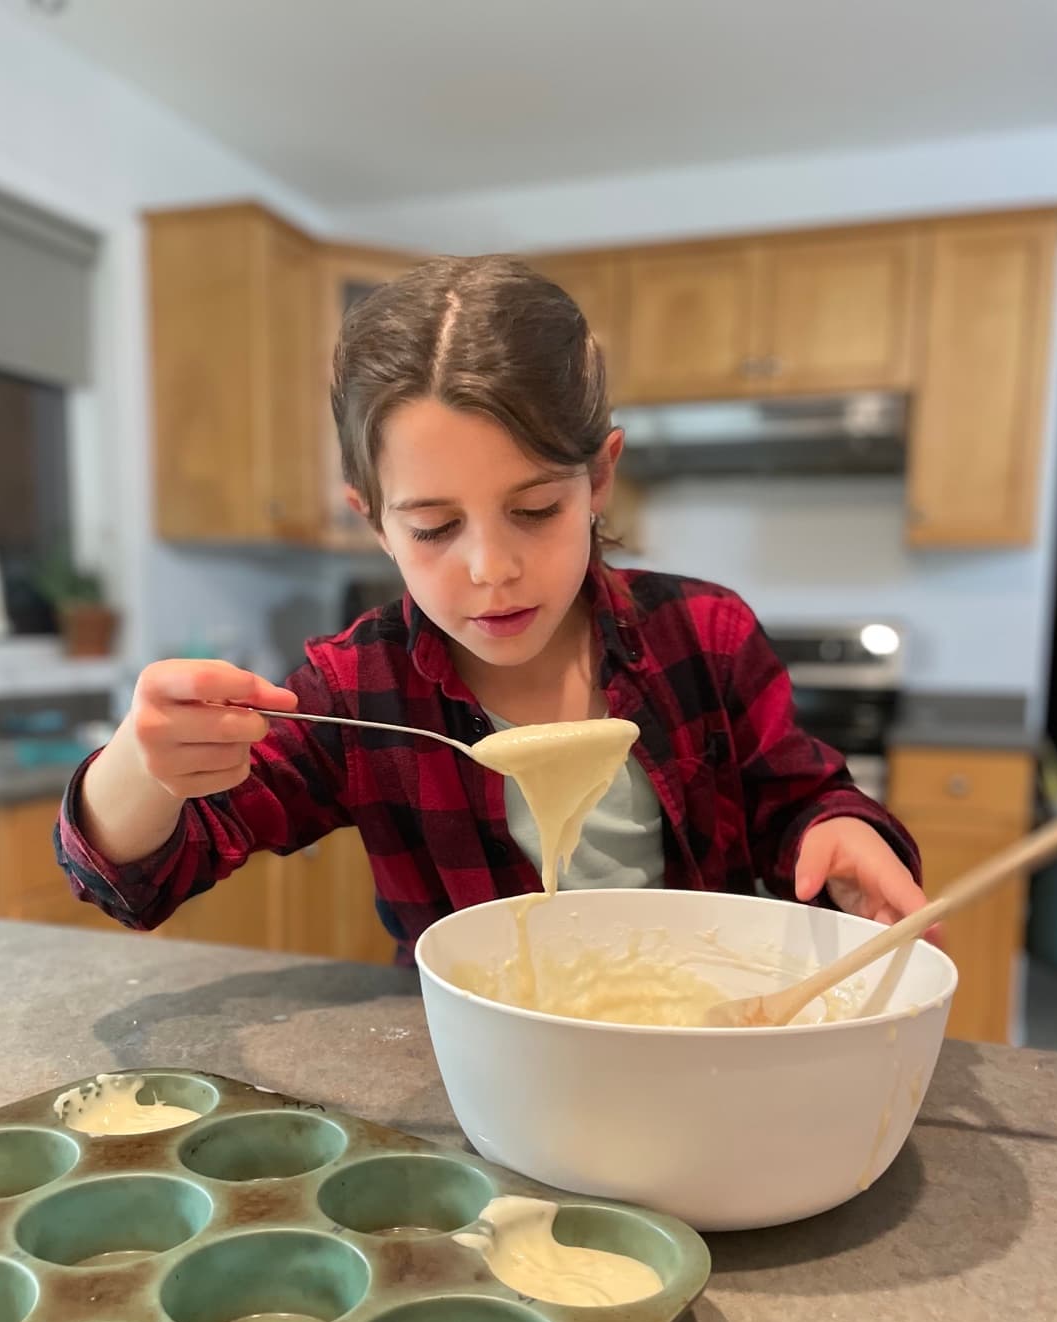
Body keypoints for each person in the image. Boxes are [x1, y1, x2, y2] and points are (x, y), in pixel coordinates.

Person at [56, 254, 925, 964]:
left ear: (600, 478)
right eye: (434, 528)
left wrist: (844, 831)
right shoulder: (360, 691)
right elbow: (139, 881)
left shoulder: (705, 636)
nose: (492, 569)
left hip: (706, 1049)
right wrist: (144, 763)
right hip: (478, 1080)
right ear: (376, 525)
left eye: (536, 510)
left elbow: (802, 798)